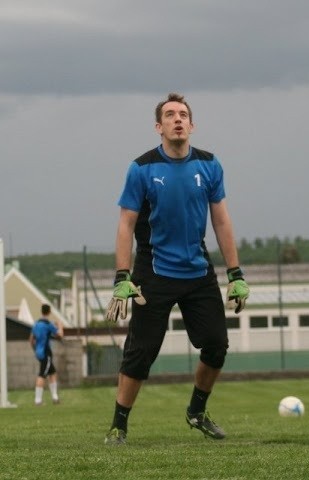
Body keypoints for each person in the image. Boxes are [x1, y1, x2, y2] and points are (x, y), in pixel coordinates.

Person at [104, 92, 249, 445]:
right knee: (141, 353)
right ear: (159, 127)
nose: (177, 119)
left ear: (192, 125)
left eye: (183, 114)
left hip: (198, 272)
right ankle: (118, 426)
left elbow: (222, 221)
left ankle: (197, 411)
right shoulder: (141, 168)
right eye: (170, 115)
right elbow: (125, 224)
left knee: (216, 345)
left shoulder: (209, 165)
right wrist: (122, 277)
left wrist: (235, 274)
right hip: (153, 272)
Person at [29, 304, 64, 405]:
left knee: (52, 372)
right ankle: (38, 400)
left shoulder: (36, 324)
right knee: (42, 374)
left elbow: (31, 340)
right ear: (49, 312)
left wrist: (35, 350)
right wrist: (60, 326)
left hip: (39, 352)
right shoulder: (48, 324)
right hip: (46, 353)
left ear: (41, 311)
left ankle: (55, 397)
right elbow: (60, 335)